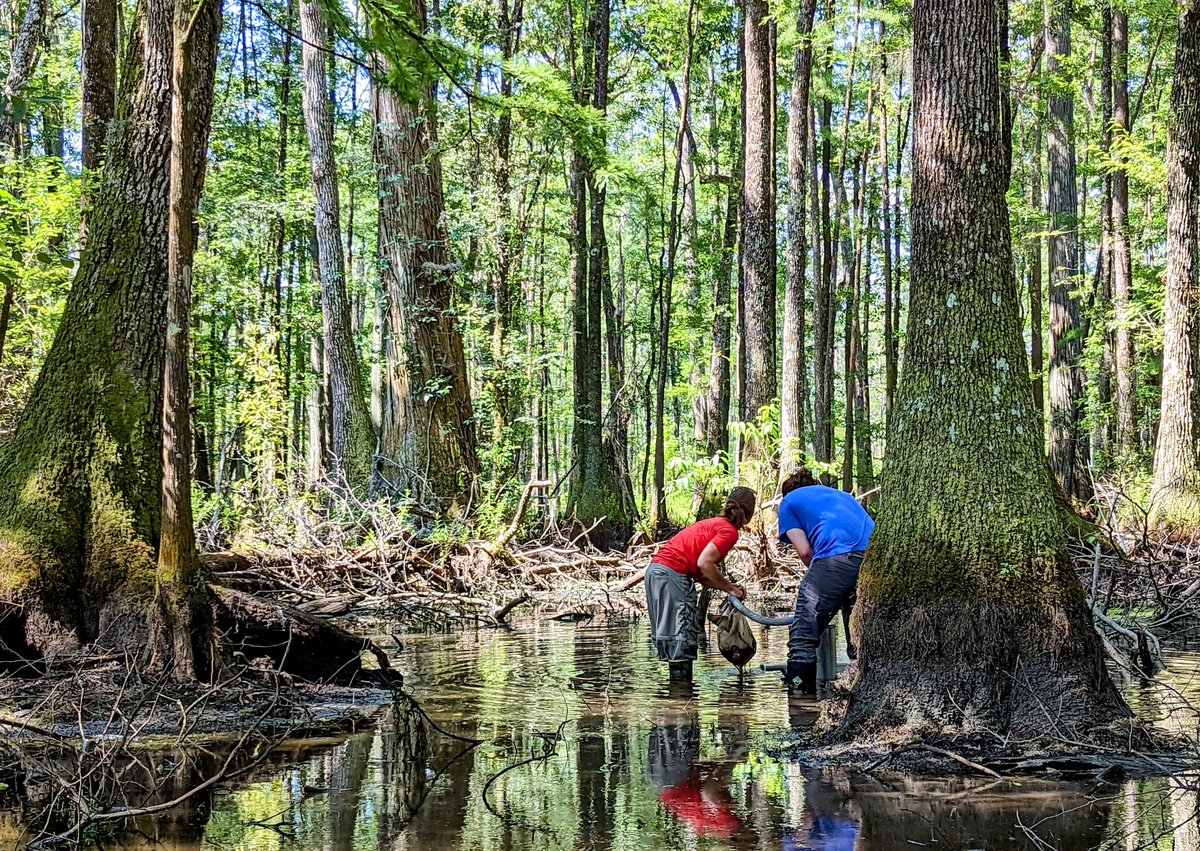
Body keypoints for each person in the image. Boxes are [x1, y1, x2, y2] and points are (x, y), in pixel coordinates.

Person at [777, 469, 873, 696]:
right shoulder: (840, 496)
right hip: (872, 559)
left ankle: (800, 703)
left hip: (836, 558)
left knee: (803, 634)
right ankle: (861, 693)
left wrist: (818, 582)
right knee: (857, 631)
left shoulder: (788, 502)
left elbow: (805, 551)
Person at [644, 487, 755, 682]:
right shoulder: (728, 531)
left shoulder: (713, 524)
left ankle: (674, 699)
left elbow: (702, 573)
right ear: (749, 514)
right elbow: (704, 563)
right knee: (682, 637)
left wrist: (729, 587)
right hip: (672, 574)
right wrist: (730, 588)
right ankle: (682, 699)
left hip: (656, 573)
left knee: (671, 637)